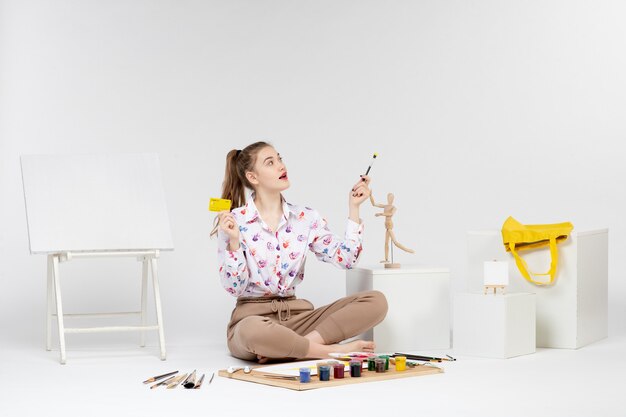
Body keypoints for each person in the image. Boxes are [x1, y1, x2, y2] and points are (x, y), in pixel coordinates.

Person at [212, 141, 388, 363]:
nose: (280, 166)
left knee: (376, 301)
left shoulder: (306, 218)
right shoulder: (234, 221)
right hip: (253, 319)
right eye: (270, 162)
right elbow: (234, 287)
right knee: (252, 331)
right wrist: (234, 242)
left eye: (280, 158)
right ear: (253, 177)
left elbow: (347, 260)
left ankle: (294, 348)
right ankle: (326, 351)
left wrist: (354, 208)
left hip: (300, 320)